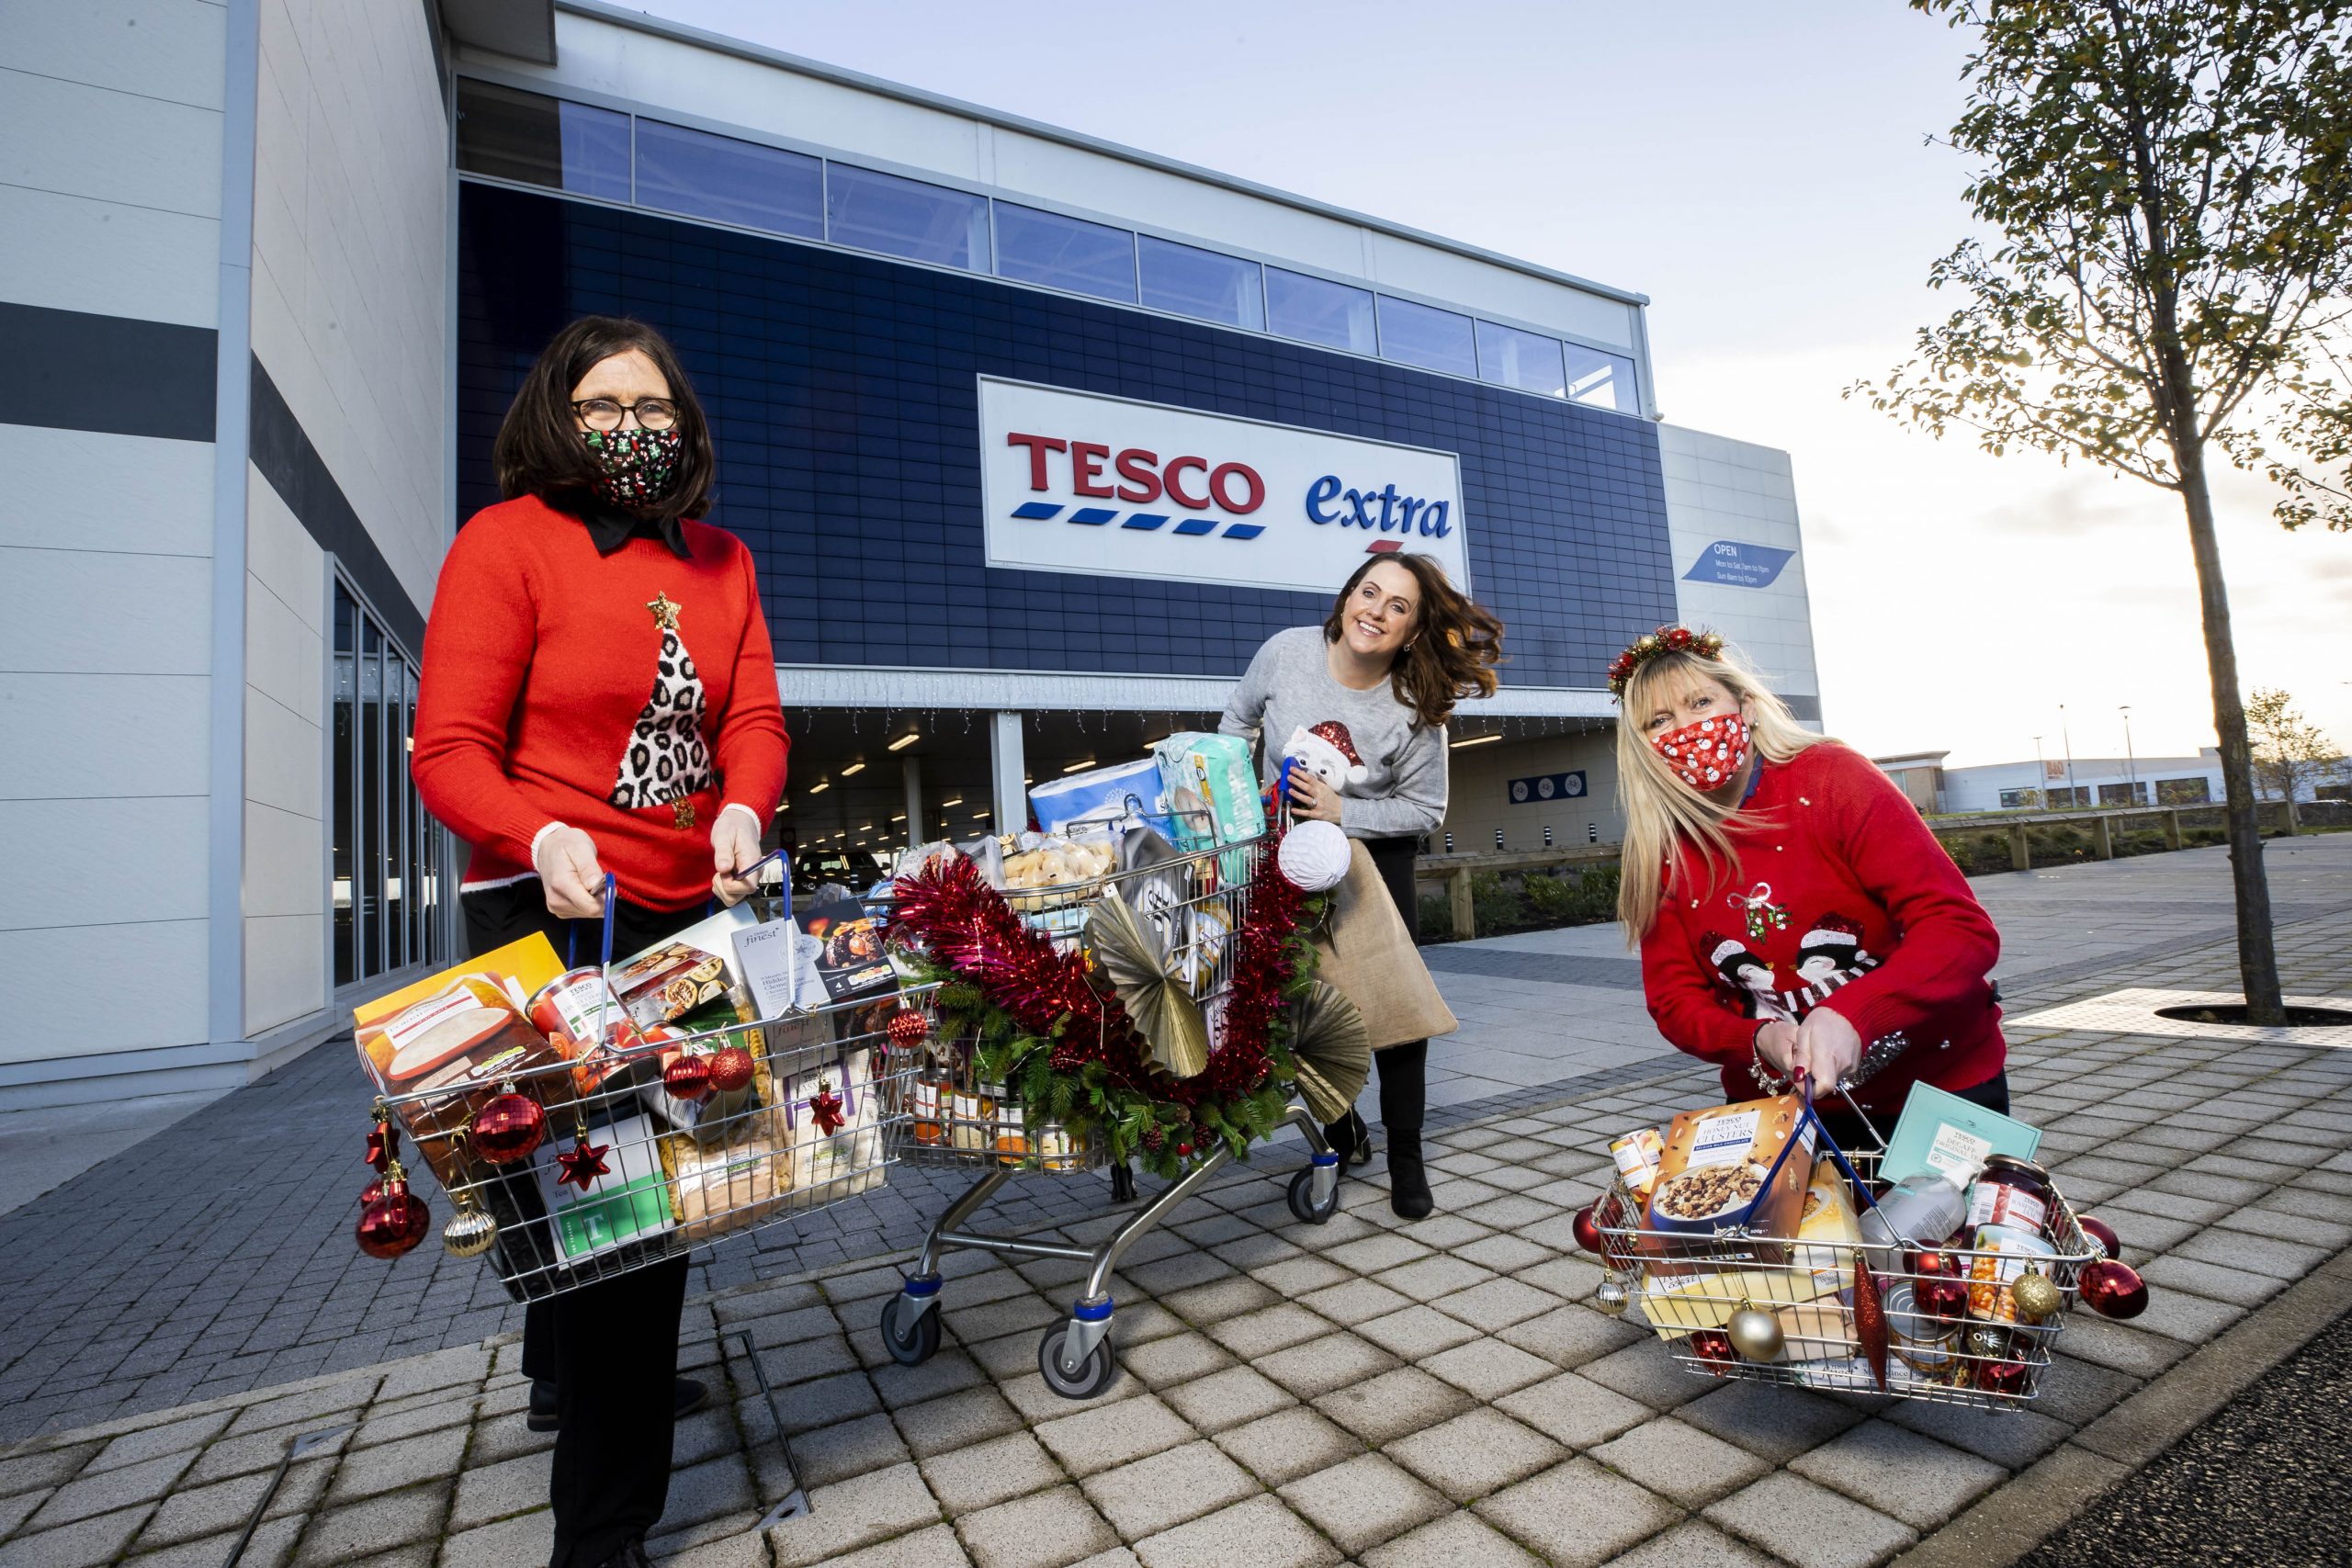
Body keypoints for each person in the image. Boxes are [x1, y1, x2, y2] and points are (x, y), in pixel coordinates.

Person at [413, 315, 787, 1568]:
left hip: (684, 909)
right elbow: (450, 747)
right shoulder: (507, 540)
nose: (632, 426)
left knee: (647, 1194)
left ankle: (573, 1383)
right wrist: (539, 831)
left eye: (654, 404)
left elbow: (754, 716)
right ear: (557, 415)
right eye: (603, 402)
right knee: (609, 1204)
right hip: (546, 902)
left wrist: (743, 800)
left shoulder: (723, 561)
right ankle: (604, 1530)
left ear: (685, 422)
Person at [1612, 626, 2005, 1151]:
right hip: (1781, 1109)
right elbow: (1675, 1000)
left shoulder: (1832, 780)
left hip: (1937, 1084)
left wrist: (1854, 1012)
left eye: (1701, 703)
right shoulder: (1663, 848)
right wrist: (1755, 1038)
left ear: (1747, 707)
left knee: (1935, 1231)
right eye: (1660, 721)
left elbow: (1957, 929)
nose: (1687, 729)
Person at [1220, 554, 1503, 1217]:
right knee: (1304, 1005)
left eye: (1397, 605)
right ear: (1347, 595)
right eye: (1368, 591)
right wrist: (1238, 797)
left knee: (1394, 1013)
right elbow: (1234, 723)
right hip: (1279, 854)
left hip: (1373, 858)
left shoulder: (1415, 704)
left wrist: (1344, 814)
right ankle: (1342, 1127)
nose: (1375, 610)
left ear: (1412, 630)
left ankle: (1407, 1151)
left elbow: (1425, 808)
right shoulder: (1285, 652)